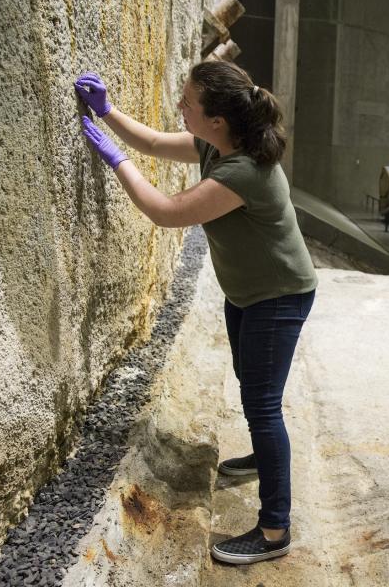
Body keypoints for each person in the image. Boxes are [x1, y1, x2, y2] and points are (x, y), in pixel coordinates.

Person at [74, 61, 318, 565]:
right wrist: (109, 112)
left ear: (218, 120)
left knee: (264, 404)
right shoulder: (217, 143)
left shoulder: (243, 171)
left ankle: (275, 531)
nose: (179, 106)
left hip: (279, 296)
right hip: (251, 293)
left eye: (187, 102)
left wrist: (113, 158)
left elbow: (165, 211)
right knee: (253, 387)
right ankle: (262, 460)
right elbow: (158, 144)